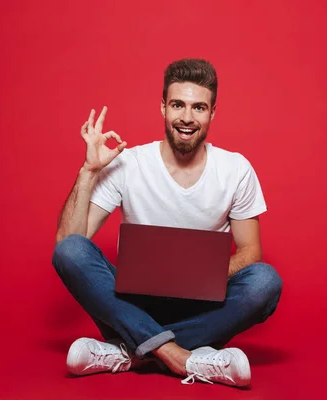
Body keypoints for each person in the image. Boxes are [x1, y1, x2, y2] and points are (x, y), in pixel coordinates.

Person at [52, 58, 283, 388]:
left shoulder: (236, 169)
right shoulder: (129, 163)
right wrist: (88, 172)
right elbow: (68, 241)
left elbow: (251, 253)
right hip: (131, 305)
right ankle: (182, 356)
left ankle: (133, 352)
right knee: (71, 252)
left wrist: (200, 276)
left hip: (204, 307)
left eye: (199, 107)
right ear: (163, 107)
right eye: (178, 105)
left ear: (212, 113)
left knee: (265, 281)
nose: (187, 118)